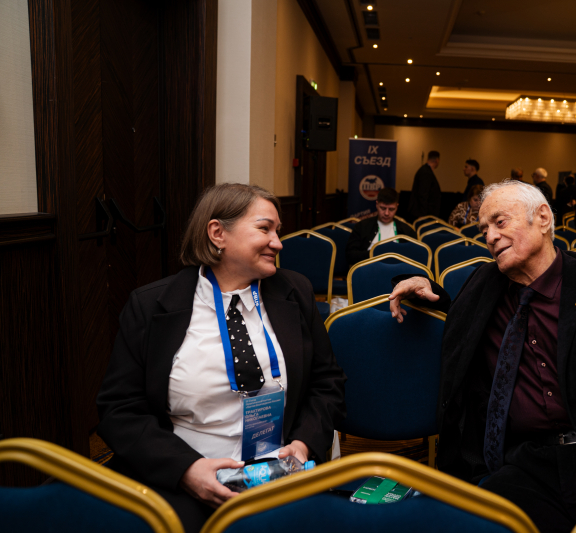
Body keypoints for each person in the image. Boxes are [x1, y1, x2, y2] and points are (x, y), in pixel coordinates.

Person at [388, 180, 576, 533]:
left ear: (543, 218)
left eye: (499, 222)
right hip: (528, 464)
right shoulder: (484, 284)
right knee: (466, 524)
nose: (490, 236)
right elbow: (462, 322)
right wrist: (424, 286)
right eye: (484, 229)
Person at [96, 184, 347, 533]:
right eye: (265, 229)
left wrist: (303, 445)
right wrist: (186, 470)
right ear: (217, 233)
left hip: (278, 470)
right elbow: (119, 409)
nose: (278, 243)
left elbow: (327, 383)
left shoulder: (295, 292)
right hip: (184, 473)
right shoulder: (151, 305)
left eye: (278, 231)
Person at [346, 187, 416, 266]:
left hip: (397, 270)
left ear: (397, 207)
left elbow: (415, 256)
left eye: (391, 209)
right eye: (383, 208)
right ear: (377, 204)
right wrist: (375, 253)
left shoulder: (407, 231)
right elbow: (350, 255)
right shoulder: (362, 226)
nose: (386, 213)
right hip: (369, 268)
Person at [408, 151, 442, 222]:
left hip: (424, 213)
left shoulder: (425, 170)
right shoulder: (426, 172)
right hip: (423, 215)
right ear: (437, 160)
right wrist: (423, 214)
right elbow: (423, 194)